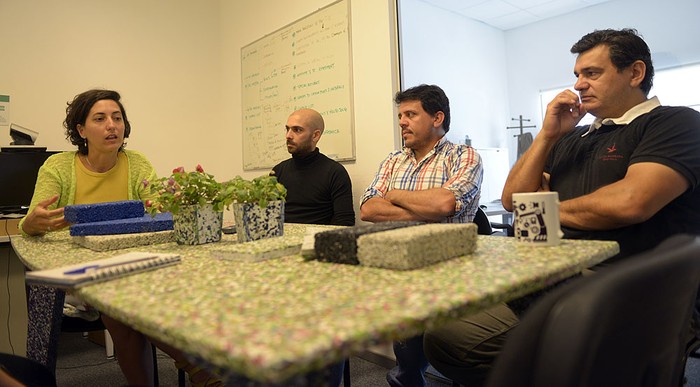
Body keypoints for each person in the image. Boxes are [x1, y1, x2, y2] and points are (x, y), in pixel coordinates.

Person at [423, 28, 700, 386]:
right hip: (552, 277)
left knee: (470, 341)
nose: (579, 85)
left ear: (635, 73)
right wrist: (547, 135)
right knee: (443, 335)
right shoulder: (572, 137)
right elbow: (512, 200)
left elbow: (631, 202)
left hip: (627, 284)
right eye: (577, 76)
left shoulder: (675, 122)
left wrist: (542, 208)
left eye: (592, 73)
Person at [19, 89, 221, 386]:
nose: (112, 125)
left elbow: (157, 212)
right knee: (119, 306)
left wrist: (172, 202)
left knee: (135, 300)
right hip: (79, 274)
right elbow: (32, 222)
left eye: (117, 118)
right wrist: (34, 223)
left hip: (133, 267)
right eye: (100, 119)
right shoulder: (59, 167)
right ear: (81, 130)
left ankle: (202, 369)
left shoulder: (136, 163)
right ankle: (201, 369)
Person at [360, 84, 483, 386]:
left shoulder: (464, 157)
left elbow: (444, 203)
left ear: (437, 117)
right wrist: (426, 208)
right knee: (408, 364)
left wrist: (395, 194)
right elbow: (368, 209)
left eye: (411, 114)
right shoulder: (393, 160)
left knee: (457, 355)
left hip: (451, 273)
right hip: (403, 272)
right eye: (401, 115)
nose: (402, 121)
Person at [271, 108, 355, 226]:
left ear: (315, 135)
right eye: (287, 129)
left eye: (297, 130)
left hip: (316, 241)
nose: (288, 136)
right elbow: (268, 218)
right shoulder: (278, 171)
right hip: (281, 240)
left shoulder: (334, 172)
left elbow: (344, 222)